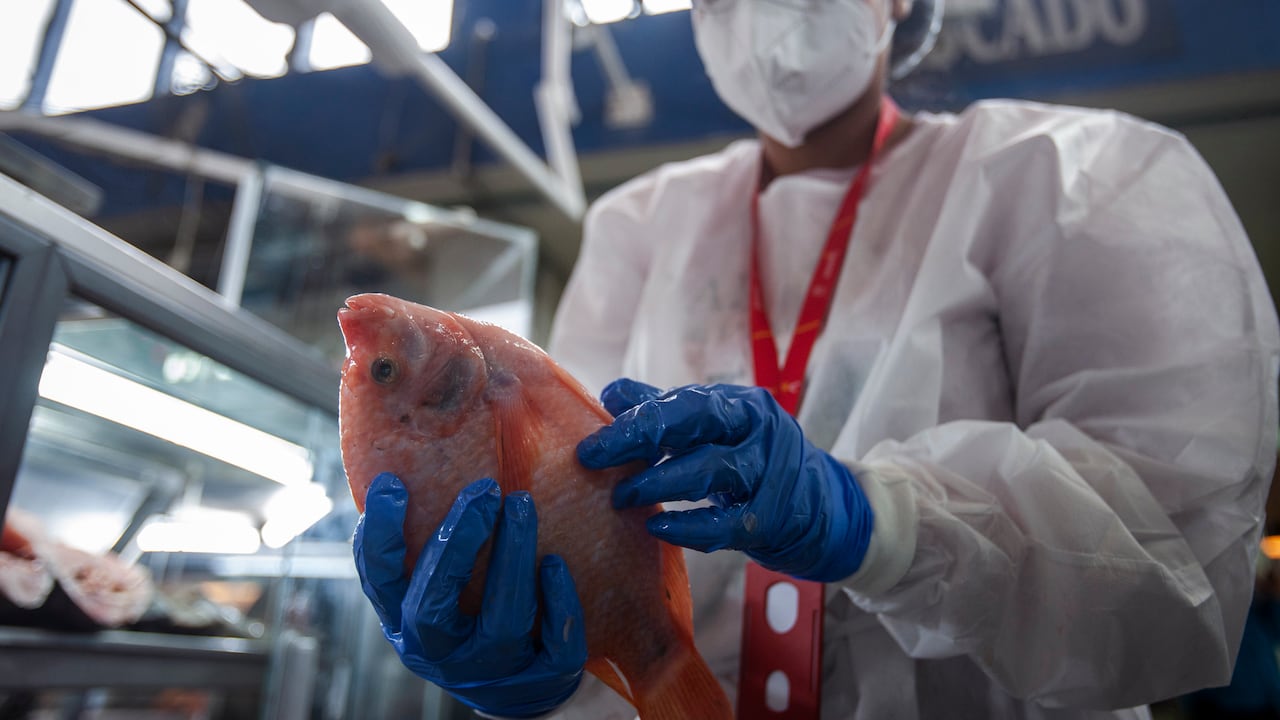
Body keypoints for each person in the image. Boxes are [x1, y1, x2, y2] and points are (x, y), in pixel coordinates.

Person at [351, 0, 1280, 718]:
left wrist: (880, 523)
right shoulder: (640, 227)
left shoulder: (1072, 175)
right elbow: (562, 513)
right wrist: (527, 662)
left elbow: (1176, 548)